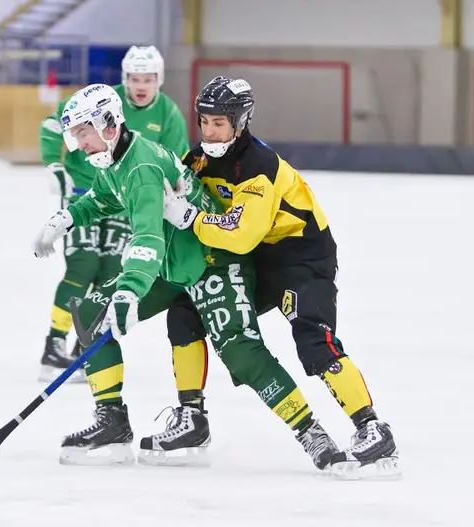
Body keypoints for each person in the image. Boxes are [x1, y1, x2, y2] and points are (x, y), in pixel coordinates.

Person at [32, 83, 340, 470]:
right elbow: (106, 195)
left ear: (108, 125)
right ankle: (112, 421)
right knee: (93, 313)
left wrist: (128, 291)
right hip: (178, 265)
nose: (77, 145)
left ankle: (311, 432)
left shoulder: (141, 166)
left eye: (82, 133)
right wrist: (68, 217)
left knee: (241, 352)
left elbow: (147, 237)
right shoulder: (120, 156)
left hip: (214, 262)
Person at [161, 76, 400, 478]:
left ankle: (371, 428)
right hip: (264, 260)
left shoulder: (259, 166)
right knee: (186, 311)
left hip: (303, 257)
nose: (209, 131)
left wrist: (191, 218)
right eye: (204, 121)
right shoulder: (198, 158)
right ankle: (192, 417)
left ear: (241, 121)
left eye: (219, 122)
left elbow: (241, 236)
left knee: (314, 339)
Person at [37, 45, 193, 384]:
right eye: (135, 78)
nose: (141, 85)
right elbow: (53, 127)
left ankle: (84, 347)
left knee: (111, 269)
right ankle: (55, 343)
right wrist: (60, 187)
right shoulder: (98, 100)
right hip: (90, 190)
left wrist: (131, 289)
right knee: (83, 264)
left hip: (136, 200)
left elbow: (168, 186)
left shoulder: (164, 118)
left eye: (148, 79)